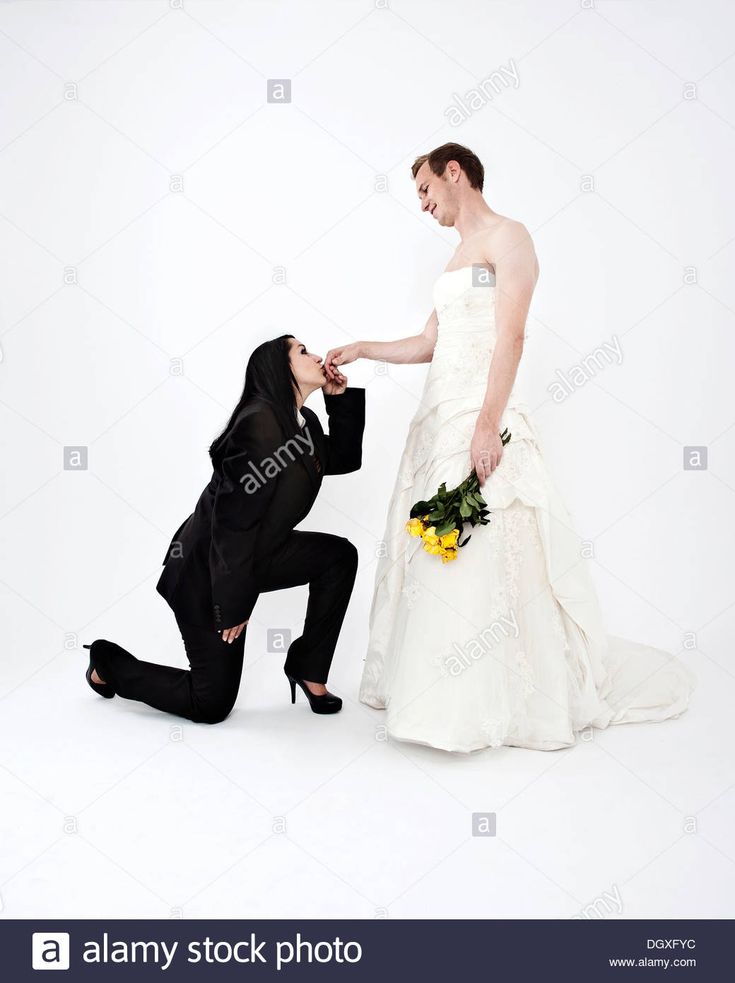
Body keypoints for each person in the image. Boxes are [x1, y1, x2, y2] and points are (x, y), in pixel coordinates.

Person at [325, 142, 695, 753]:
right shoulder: (454, 262)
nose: (422, 205)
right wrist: (363, 349)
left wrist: (486, 425)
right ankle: (433, 696)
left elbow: (511, 335)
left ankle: (499, 700)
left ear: (454, 173)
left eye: (424, 190)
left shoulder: (510, 238)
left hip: (481, 413)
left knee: (487, 542)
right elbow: (429, 343)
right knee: (439, 549)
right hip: (440, 413)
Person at [83, 335, 366, 722]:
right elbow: (232, 525)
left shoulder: (305, 423)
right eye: (302, 351)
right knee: (211, 703)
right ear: (277, 369)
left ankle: (309, 670)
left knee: (339, 557)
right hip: (208, 570)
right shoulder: (259, 424)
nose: (316, 355)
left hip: (257, 555)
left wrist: (337, 398)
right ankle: (107, 662)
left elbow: (345, 459)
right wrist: (232, 606)